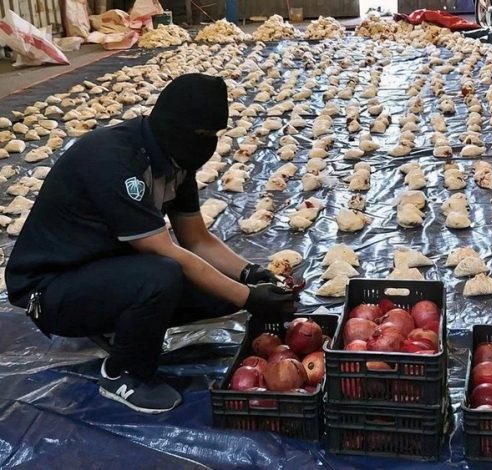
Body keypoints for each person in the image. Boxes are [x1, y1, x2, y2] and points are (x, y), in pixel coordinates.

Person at [5, 73, 296, 414]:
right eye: (202, 135)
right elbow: (162, 249)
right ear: (174, 125)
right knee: (162, 275)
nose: (208, 143)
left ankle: (121, 322)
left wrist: (250, 275)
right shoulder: (113, 159)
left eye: (214, 135)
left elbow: (196, 239)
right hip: (51, 288)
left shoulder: (176, 161)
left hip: (105, 267)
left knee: (219, 292)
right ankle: (123, 373)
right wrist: (249, 298)